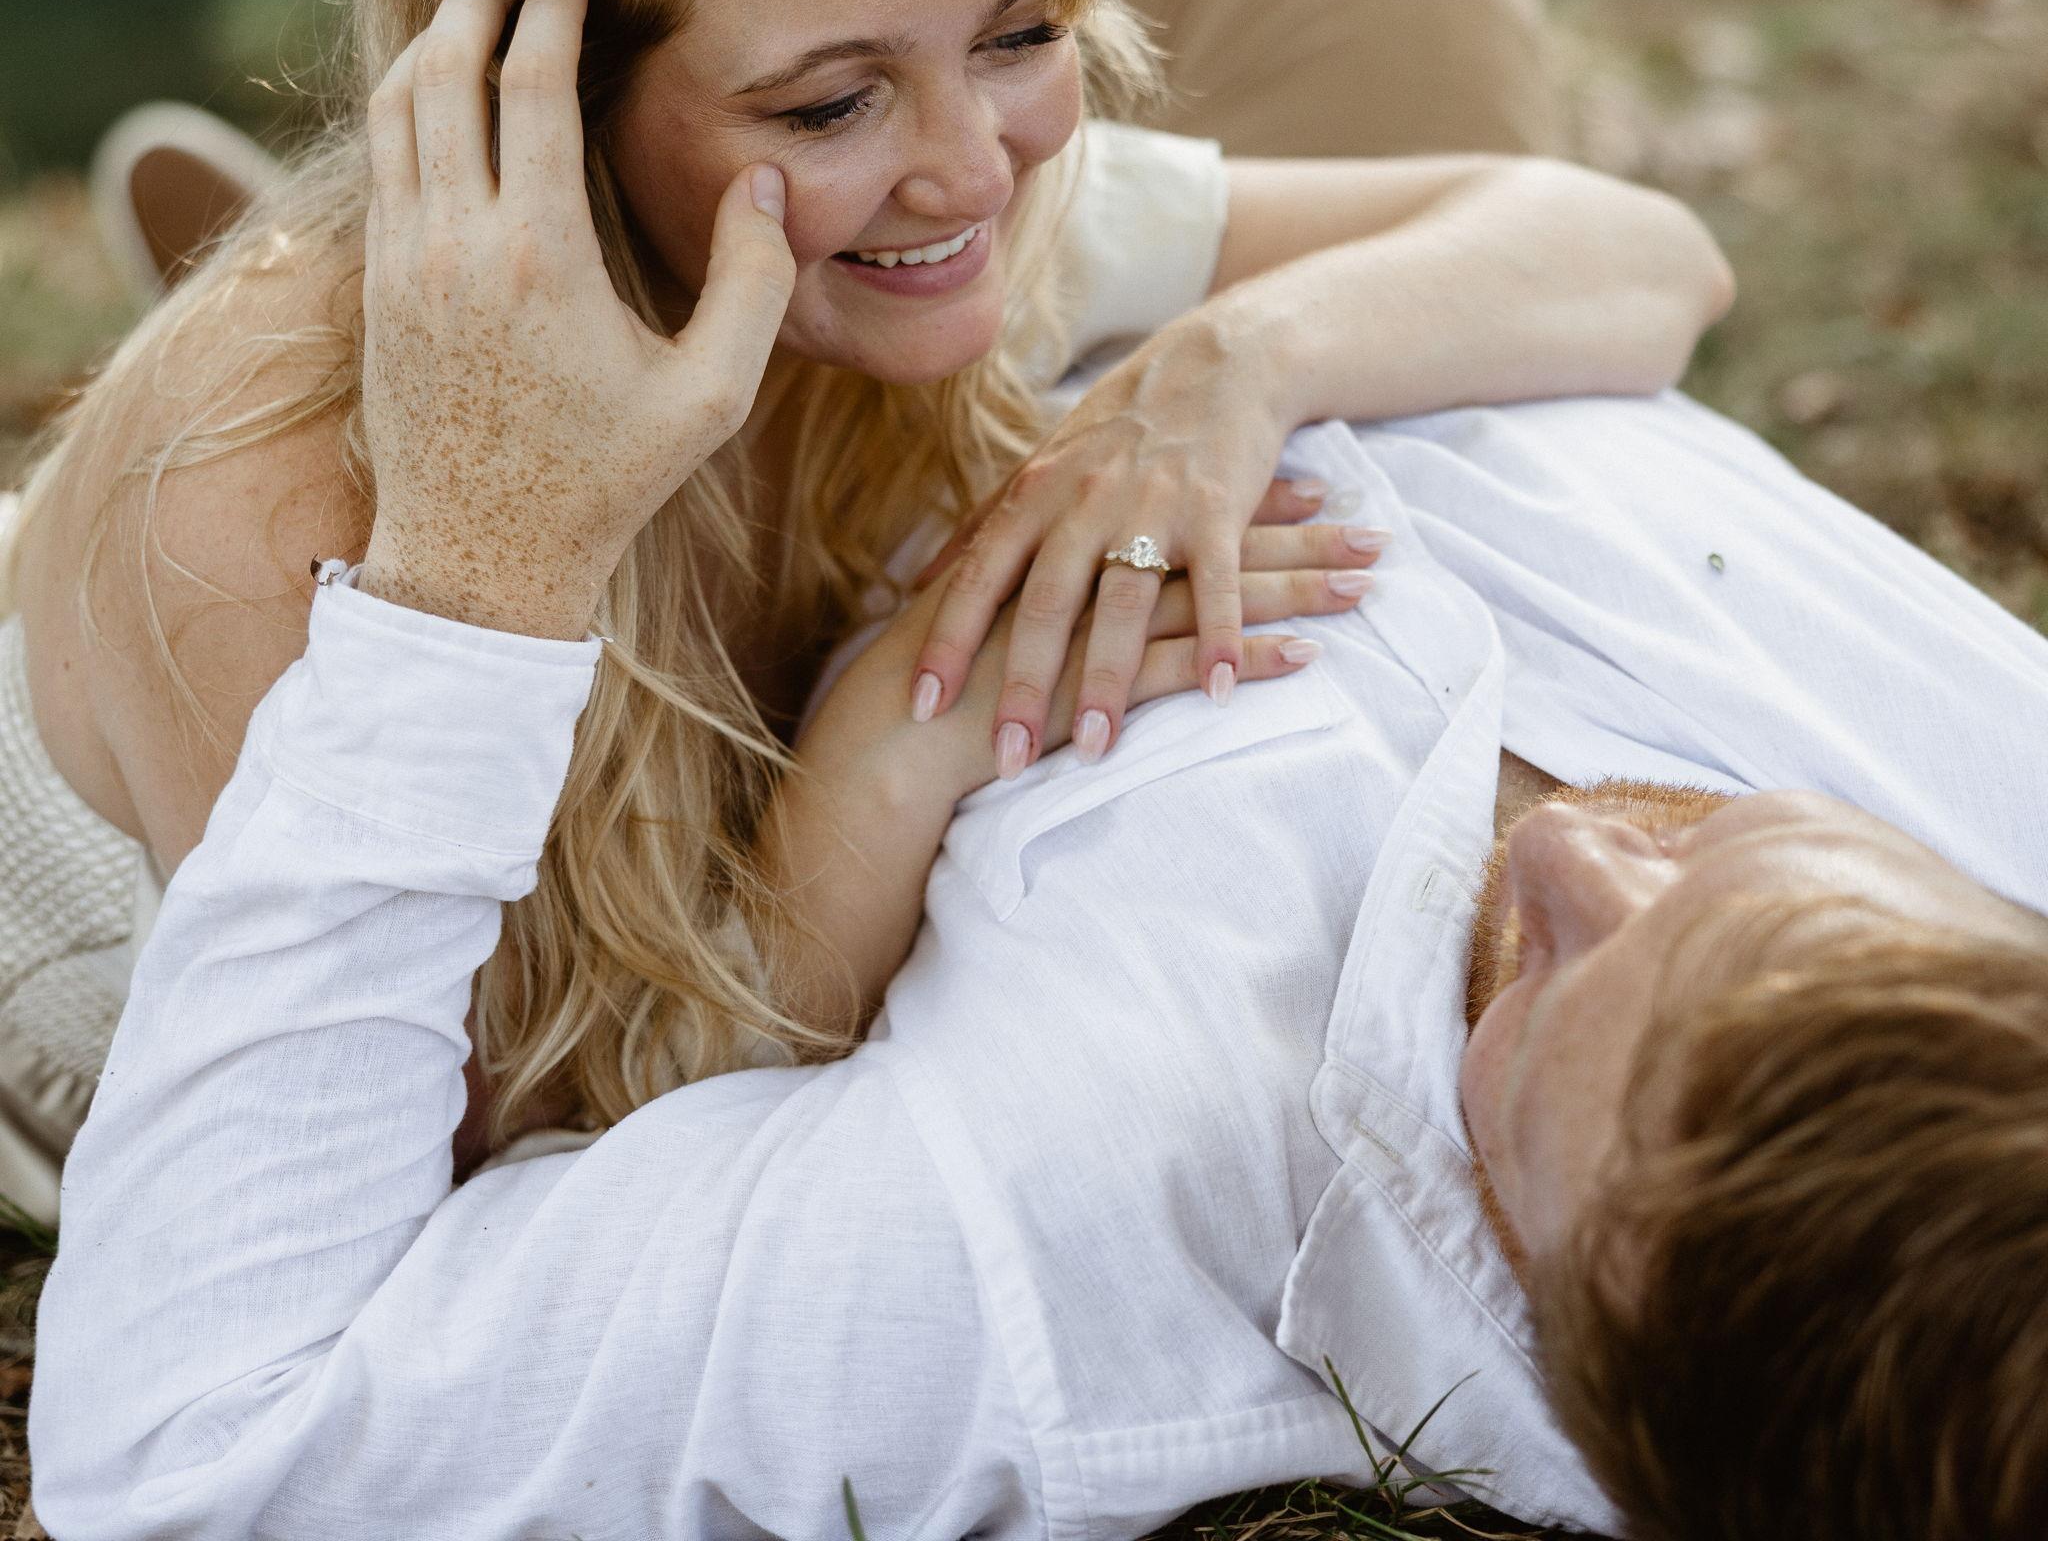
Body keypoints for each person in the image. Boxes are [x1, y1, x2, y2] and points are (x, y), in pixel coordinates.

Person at [0, 0, 1733, 1224]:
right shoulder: (258, 512)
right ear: (551, 104)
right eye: (830, 106)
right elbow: (508, 1180)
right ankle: (281, 292)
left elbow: (1641, 256)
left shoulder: (952, 208)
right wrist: (895, 742)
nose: (975, 173)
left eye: (1023, 33)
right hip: (98, 913)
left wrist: (1230, 362)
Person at [29, 351, 2048, 1540]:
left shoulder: (1056, 1223)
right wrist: (1254, 333)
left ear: (1573, 1334)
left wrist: (471, 567)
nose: (1588, 855)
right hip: (1204, 246)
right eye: (1752, 876)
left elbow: (205, 1445)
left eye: (1540, 998)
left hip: (645, 563)